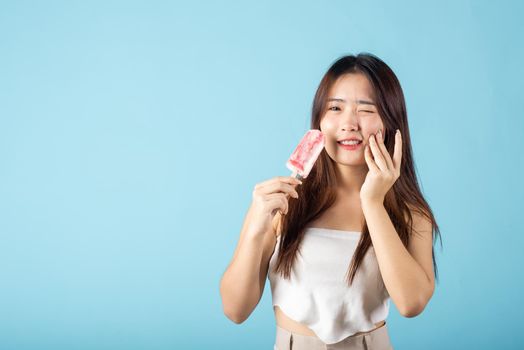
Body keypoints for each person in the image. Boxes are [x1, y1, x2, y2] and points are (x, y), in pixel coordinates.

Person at [219, 53, 442, 350]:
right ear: (318, 122)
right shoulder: (282, 204)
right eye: (335, 108)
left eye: (366, 109)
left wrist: (373, 203)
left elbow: (411, 303)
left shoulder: (410, 213)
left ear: (391, 121)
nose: (349, 123)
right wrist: (256, 227)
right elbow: (235, 309)